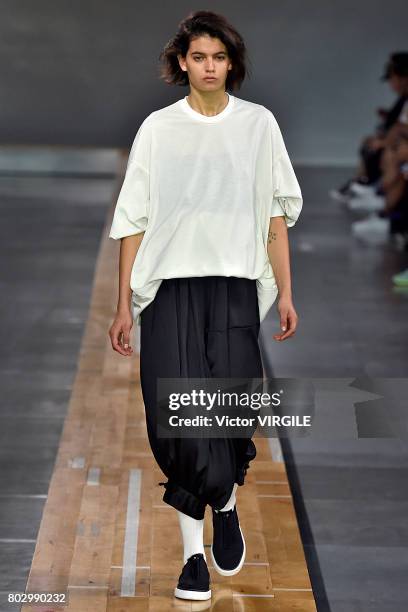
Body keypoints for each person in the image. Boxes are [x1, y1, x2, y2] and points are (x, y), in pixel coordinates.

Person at [108, 10, 303, 602]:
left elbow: (274, 214)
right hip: (170, 287)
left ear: (232, 63)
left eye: (219, 57)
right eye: (199, 57)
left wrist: (287, 290)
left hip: (236, 283)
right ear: (182, 63)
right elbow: (132, 218)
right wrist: (123, 304)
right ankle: (200, 543)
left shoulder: (259, 125)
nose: (209, 67)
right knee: (179, 420)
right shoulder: (158, 130)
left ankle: (221, 502)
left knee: (227, 415)